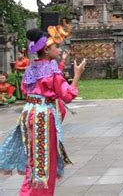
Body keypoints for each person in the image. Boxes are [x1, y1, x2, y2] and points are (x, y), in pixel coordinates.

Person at [0, 23, 87, 196]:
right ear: (46, 50)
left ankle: (27, 192)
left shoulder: (32, 68)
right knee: (45, 163)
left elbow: (27, 89)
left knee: (35, 161)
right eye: (56, 46)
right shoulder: (51, 71)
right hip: (42, 118)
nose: (59, 49)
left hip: (29, 113)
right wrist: (77, 75)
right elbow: (67, 95)